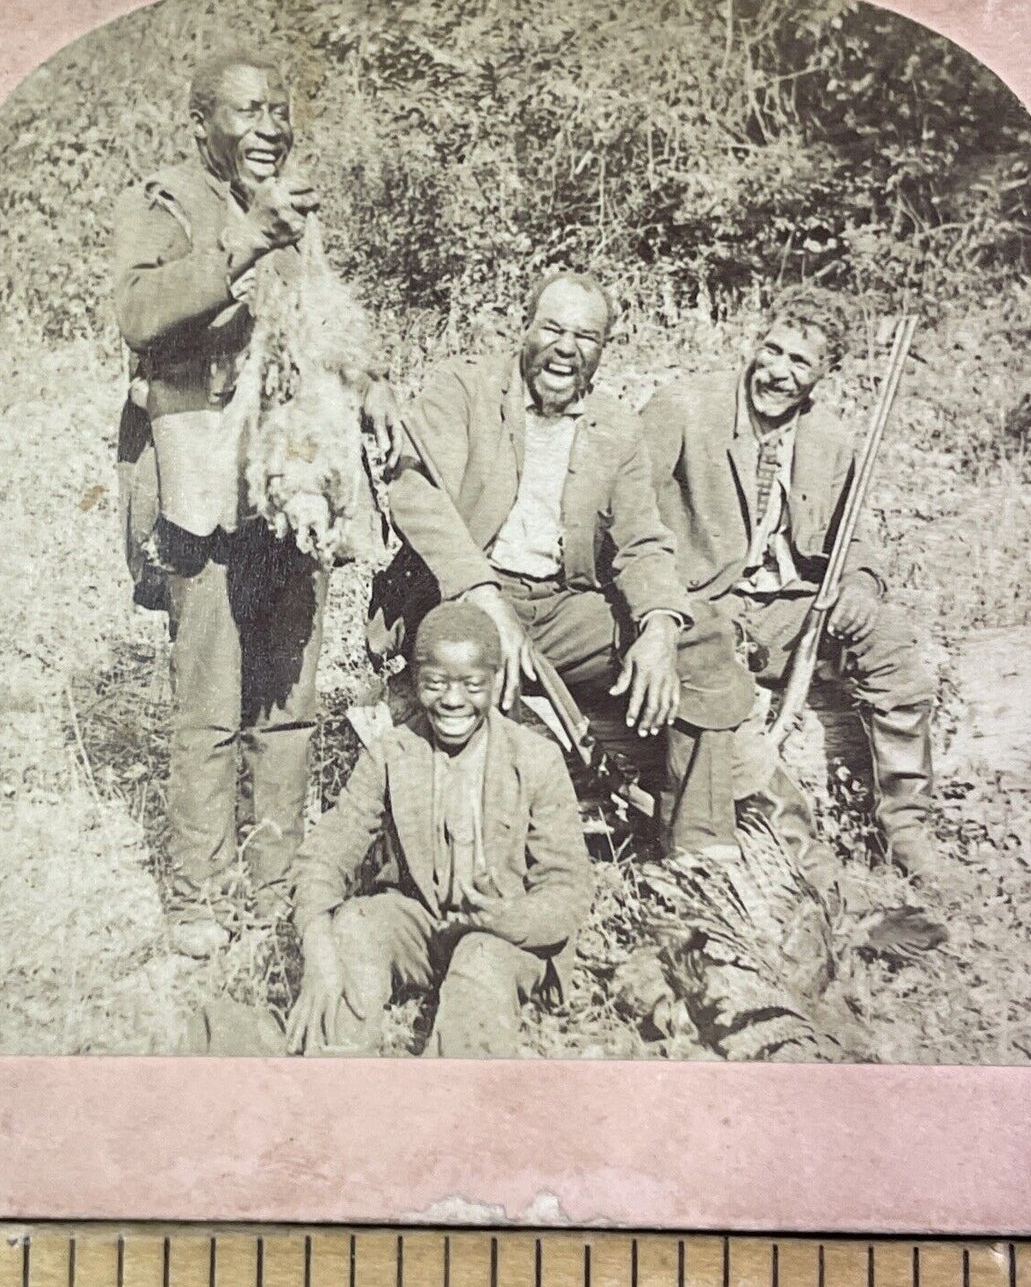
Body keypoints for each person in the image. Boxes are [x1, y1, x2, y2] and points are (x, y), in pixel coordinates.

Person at [111, 49, 398, 957]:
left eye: (279, 109)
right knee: (208, 697)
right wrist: (246, 240)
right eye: (247, 111)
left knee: (288, 693)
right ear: (202, 126)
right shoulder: (162, 202)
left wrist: (371, 380)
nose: (270, 126)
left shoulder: (297, 212)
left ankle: (273, 881)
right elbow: (139, 315)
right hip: (202, 481)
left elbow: (322, 321)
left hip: (291, 484)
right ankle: (199, 894)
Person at [370, 271, 754, 857]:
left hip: (560, 606)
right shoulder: (463, 389)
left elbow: (642, 541)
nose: (566, 347)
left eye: (586, 336)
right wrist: (482, 595)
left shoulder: (616, 428)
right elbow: (414, 492)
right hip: (458, 597)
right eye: (551, 328)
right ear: (524, 330)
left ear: (602, 351)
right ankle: (452, 849)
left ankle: (698, 853)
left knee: (700, 639)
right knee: (469, 677)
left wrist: (657, 627)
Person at [640, 287, 942, 882]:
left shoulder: (828, 439)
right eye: (771, 350)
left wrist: (858, 585)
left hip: (782, 611)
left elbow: (854, 536)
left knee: (890, 638)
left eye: (800, 362)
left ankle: (907, 829)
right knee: (726, 708)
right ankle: (803, 857)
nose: (776, 372)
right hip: (698, 611)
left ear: (825, 373)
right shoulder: (683, 407)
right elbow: (623, 514)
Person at [287, 601, 594, 1057]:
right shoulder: (392, 753)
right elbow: (329, 850)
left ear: (496, 681)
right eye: (435, 684)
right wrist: (319, 947)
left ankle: (457, 1099)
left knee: (479, 959)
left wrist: (508, 918)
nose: (453, 701)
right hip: (423, 927)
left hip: (503, 938)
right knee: (355, 923)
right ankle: (339, 1071)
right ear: (414, 682)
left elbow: (568, 887)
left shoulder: (535, 760)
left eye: (472, 685)